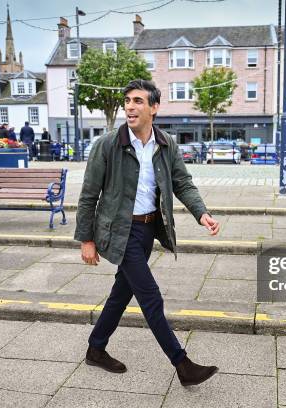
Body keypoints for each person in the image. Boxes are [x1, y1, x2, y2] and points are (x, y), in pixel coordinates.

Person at [75, 79, 220, 387]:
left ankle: (95, 348)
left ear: (154, 108)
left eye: (138, 101)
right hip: (119, 231)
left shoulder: (165, 144)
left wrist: (202, 213)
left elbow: (182, 183)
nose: (130, 106)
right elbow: (88, 195)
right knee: (151, 297)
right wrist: (86, 240)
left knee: (120, 294)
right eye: (128, 100)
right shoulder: (107, 144)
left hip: (147, 230)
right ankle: (182, 364)